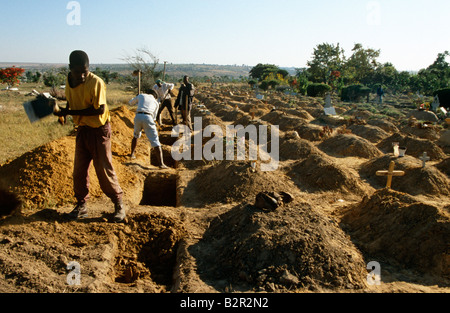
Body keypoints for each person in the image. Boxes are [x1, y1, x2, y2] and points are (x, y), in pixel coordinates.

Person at [54, 50, 126, 222]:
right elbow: (72, 101)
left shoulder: (96, 82)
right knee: (79, 171)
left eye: (85, 71)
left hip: (99, 130)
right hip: (83, 129)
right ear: (70, 69)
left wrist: (69, 111)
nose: (82, 75)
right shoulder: (69, 81)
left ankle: (119, 204)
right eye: (78, 72)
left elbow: (99, 110)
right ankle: (81, 206)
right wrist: (63, 112)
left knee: (103, 169)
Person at [129, 89, 168, 169]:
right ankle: (161, 164)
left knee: (136, 135)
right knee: (155, 140)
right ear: (155, 96)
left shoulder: (141, 95)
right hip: (148, 117)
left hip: (138, 116)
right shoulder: (156, 103)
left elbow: (130, 102)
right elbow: (154, 118)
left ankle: (132, 154)